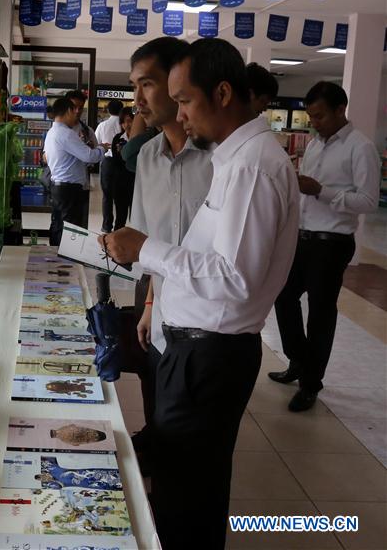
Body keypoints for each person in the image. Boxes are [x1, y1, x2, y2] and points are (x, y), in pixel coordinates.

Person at [100, 38, 299, 549]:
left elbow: (235, 278)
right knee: (183, 485)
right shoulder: (237, 160)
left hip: (209, 354)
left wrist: (148, 249)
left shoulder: (253, 165)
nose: (180, 114)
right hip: (190, 345)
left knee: (188, 499)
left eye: (185, 100)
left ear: (224, 92)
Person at [126, 36, 214, 465]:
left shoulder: (221, 159)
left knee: (194, 455)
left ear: (178, 82)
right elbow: (148, 242)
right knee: (157, 420)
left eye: (147, 84)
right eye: (134, 85)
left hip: (205, 331)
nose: (138, 98)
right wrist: (148, 304)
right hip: (162, 318)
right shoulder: (146, 158)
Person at [270, 81, 380, 411]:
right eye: (311, 116)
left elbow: (368, 201)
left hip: (332, 244)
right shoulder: (315, 145)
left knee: (320, 313)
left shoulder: (361, 148)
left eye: (319, 116)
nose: (314, 123)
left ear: (339, 110)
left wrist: (323, 191)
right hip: (302, 238)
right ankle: (299, 359)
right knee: (282, 296)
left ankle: (310, 383)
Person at [44, 96, 104, 245]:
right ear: (69, 111)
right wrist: (103, 148)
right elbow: (89, 156)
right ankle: (64, 261)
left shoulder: (52, 132)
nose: (77, 113)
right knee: (69, 229)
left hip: (59, 186)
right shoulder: (66, 134)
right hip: (69, 189)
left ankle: (55, 257)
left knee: (59, 225)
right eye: (75, 109)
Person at [99, 108, 135, 232]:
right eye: (123, 122)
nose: (127, 125)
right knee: (121, 216)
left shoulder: (140, 139)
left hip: (137, 183)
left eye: (130, 121)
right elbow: (117, 161)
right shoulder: (118, 138)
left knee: (136, 217)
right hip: (121, 183)